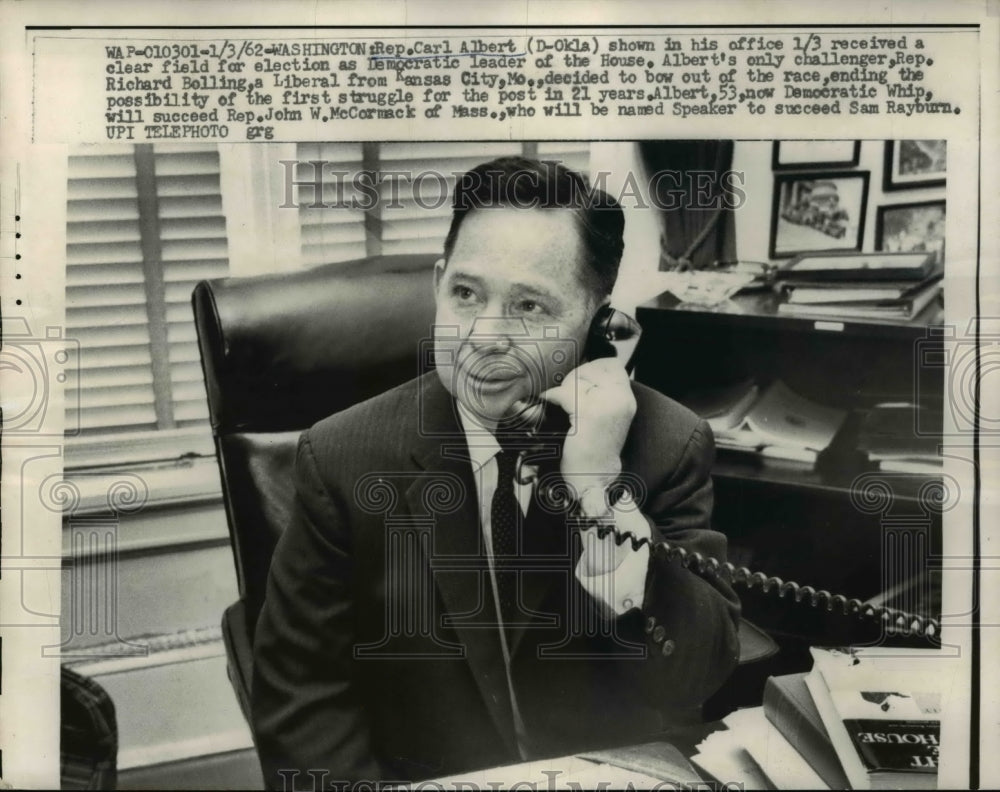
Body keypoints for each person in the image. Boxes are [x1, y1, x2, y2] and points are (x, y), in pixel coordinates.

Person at [251, 156, 741, 787]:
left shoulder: (665, 445)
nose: (483, 336)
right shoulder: (343, 456)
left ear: (599, 324)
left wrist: (597, 489)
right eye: (465, 293)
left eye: (531, 306)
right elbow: (301, 692)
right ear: (437, 284)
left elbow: (693, 674)